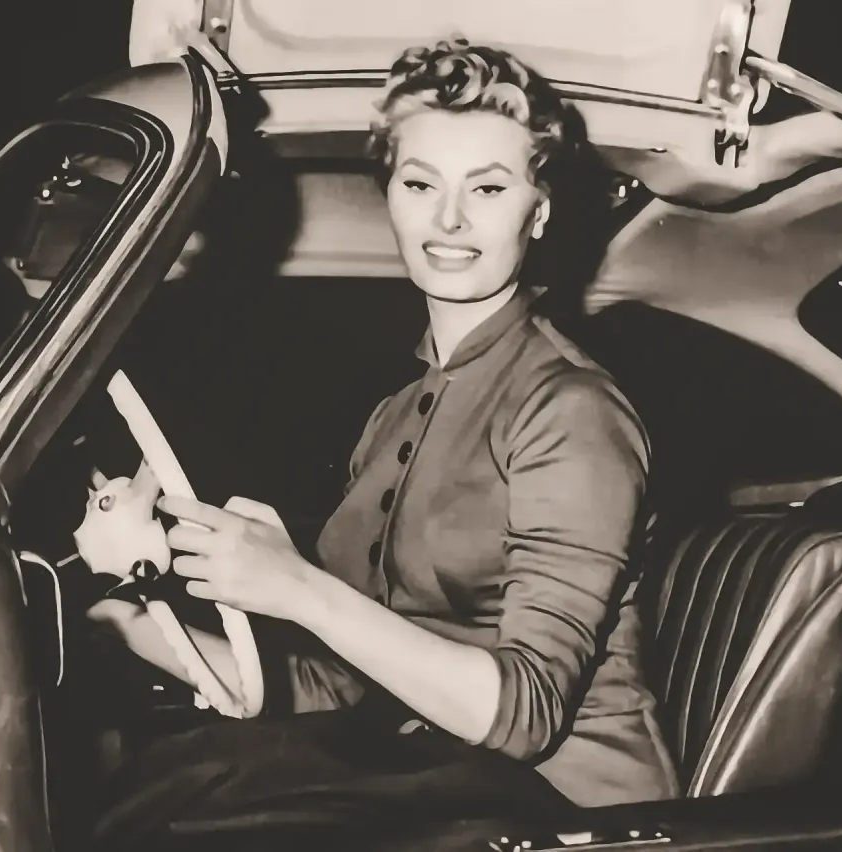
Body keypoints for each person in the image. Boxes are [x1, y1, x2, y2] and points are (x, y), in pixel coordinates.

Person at [86, 39, 679, 848]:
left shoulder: (571, 407)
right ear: (390, 195)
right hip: (427, 774)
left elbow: (527, 713)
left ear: (539, 212)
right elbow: (340, 688)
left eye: (489, 188)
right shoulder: (395, 414)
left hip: (568, 815)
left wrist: (295, 586)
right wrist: (121, 612)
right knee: (166, 785)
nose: (449, 219)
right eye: (420, 183)